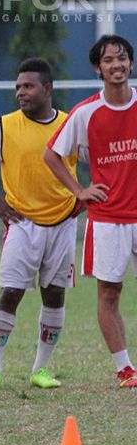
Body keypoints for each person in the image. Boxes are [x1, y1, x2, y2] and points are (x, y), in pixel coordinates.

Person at [0, 58, 75, 390]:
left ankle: (41, 369)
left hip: (64, 223)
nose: (20, 93)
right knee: (10, 292)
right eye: (17, 87)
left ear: (47, 89)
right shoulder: (4, 126)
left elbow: (96, 160)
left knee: (54, 294)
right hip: (22, 224)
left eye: (27, 86)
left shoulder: (70, 125)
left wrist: (83, 198)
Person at [45, 34, 137, 389]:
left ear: (130, 63)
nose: (117, 65)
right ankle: (125, 368)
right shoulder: (86, 113)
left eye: (122, 58)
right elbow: (52, 154)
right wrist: (79, 191)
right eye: (109, 60)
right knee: (109, 293)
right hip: (109, 218)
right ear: (98, 68)